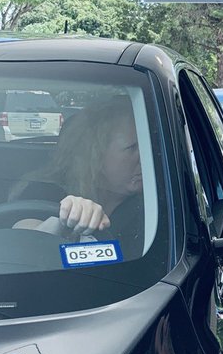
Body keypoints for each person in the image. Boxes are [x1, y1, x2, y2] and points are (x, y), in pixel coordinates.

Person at [10, 98, 144, 253]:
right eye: (132, 147)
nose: (146, 157)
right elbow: (24, 242)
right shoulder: (46, 191)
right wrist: (65, 217)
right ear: (95, 154)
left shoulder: (156, 202)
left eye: (147, 144)